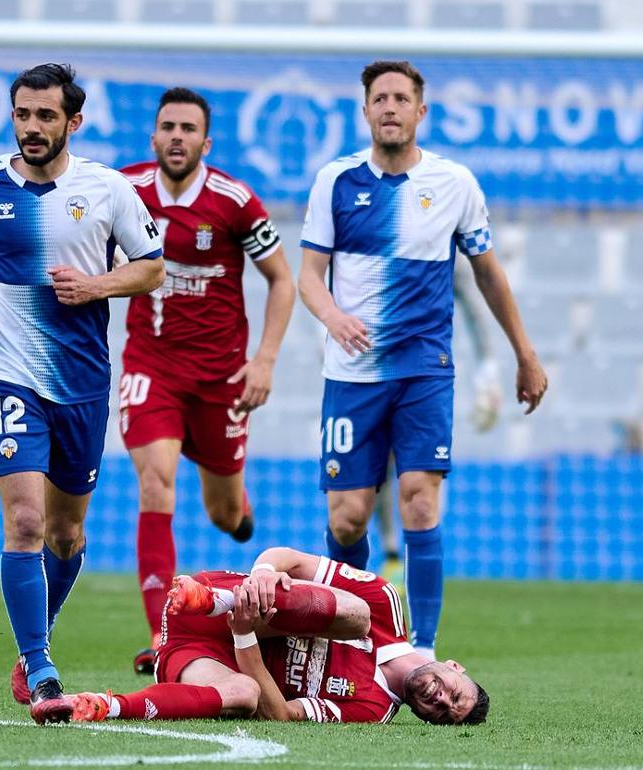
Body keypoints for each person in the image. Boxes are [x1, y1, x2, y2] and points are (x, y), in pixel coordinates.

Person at [297, 60, 548, 660]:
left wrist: (524, 354)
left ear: (420, 111)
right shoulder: (336, 181)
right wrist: (333, 316)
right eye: (379, 98)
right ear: (365, 111)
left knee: (418, 497)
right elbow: (308, 275)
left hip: (424, 371)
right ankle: (352, 640)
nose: (390, 107)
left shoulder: (455, 183)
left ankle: (422, 649)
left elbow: (487, 273)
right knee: (350, 519)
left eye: (401, 98)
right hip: (352, 375)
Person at [0, 63, 165, 724]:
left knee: (66, 534)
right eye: (22, 114)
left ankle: (37, 636)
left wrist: (96, 287)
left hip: (81, 385)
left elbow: (152, 268)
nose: (32, 127)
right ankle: (41, 668)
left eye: (45, 116)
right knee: (28, 521)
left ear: (74, 121)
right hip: (8, 374)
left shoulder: (107, 190)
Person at [118, 88, 295, 676]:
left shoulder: (235, 201)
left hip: (222, 379)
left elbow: (283, 281)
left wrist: (264, 360)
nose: (176, 137)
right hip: (152, 367)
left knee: (223, 515)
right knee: (155, 485)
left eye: (188, 129)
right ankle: (159, 635)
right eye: (167, 126)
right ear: (153, 137)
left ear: (205, 142)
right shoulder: (126, 191)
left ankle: (238, 511)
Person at [64, 546, 489, 725]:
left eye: (444, 713)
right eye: (455, 693)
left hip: (195, 655)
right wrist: (265, 573)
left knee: (244, 696)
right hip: (213, 597)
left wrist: (244, 637)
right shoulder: (384, 603)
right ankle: (214, 600)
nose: (441, 700)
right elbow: (285, 558)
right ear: (454, 667)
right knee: (355, 614)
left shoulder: (373, 709)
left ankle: (105, 705)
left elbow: (280, 715)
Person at [372, 258, 503, 583]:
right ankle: (391, 555)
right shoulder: (378, 239)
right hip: (377, 369)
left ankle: (418, 553)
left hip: (430, 375)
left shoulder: (443, 246)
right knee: (380, 465)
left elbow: (474, 308)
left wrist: (487, 371)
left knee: (426, 470)